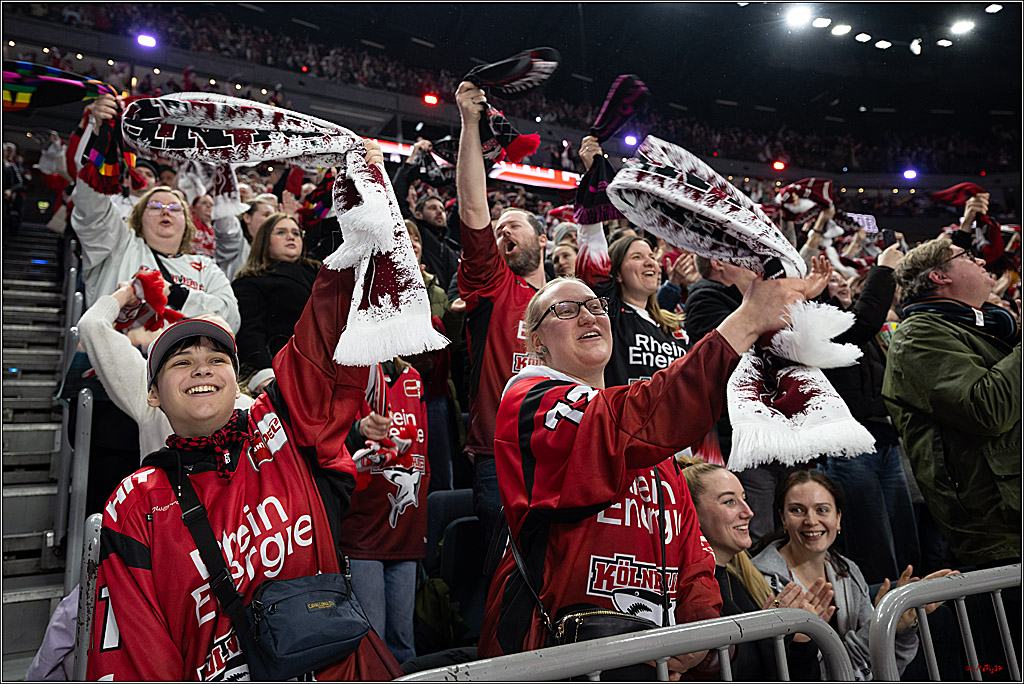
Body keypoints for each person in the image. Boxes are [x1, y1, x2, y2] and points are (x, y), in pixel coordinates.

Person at [85, 140, 403, 681]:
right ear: (153, 395)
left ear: (240, 380)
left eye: (216, 358)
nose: (203, 367)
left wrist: (364, 205)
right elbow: (136, 654)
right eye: (181, 362)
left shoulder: (282, 427)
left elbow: (325, 335)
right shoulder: (134, 505)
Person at [478, 268, 809, 678]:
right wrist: (744, 322)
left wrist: (696, 639)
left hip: (658, 657)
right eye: (565, 310)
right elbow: (625, 424)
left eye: (595, 306)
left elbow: (692, 553)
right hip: (565, 657)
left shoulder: (650, 438)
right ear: (537, 343)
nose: (587, 316)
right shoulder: (528, 401)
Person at [883, 237, 1021, 569]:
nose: (983, 261)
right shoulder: (918, 338)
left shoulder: (984, 329)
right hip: (998, 526)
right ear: (938, 276)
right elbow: (987, 409)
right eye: (969, 257)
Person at [454, 80, 549, 540]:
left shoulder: (573, 301)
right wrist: (471, 124)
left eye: (514, 225)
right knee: (508, 584)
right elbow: (474, 207)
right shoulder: (494, 285)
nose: (502, 232)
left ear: (543, 240)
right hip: (501, 456)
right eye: (498, 228)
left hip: (563, 451)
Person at [751, 470, 954, 681]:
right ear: (783, 518)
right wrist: (876, 628)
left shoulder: (848, 570)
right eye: (797, 510)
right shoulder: (762, 579)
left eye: (822, 510)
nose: (811, 520)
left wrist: (899, 626)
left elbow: (883, 667)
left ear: (838, 517)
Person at [71, 94, 239, 328]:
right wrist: (99, 135)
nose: (165, 212)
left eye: (174, 208)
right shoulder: (117, 245)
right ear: (138, 218)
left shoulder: (205, 267)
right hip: (119, 361)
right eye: (155, 207)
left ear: (187, 222)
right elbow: (91, 200)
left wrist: (177, 295)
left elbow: (230, 317)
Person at [681, 461, 828, 681]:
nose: (748, 512)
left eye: (744, 499)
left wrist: (800, 640)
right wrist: (771, 633)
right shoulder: (691, 593)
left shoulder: (743, 580)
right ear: (692, 513)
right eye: (730, 501)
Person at [575, 137, 688, 388]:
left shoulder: (674, 322)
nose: (650, 263)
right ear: (616, 273)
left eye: (651, 256)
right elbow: (592, 241)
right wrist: (594, 173)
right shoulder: (608, 313)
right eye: (637, 257)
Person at [341, 359, 430, 666]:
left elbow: (423, 453)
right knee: (372, 639)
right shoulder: (346, 374)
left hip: (405, 524)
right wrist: (357, 432)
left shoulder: (413, 378)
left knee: (403, 642)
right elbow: (327, 445)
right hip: (363, 527)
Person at [231, 213, 319, 377]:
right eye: (281, 232)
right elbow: (251, 331)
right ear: (264, 241)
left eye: (296, 233)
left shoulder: (322, 273)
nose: (290, 237)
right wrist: (263, 373)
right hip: (287, 368)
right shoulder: (250, 281)